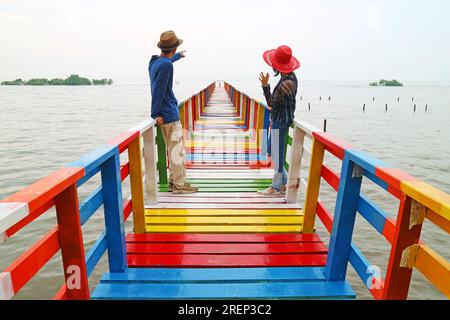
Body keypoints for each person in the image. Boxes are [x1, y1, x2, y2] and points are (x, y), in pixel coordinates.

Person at [149, 30, 198, 194]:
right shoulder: (166, 66)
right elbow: (159, 90)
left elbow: (166, 63)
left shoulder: (155, 62)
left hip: (164, 114)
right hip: (168, 114)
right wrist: (155, 113)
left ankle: (173, 181)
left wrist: (178, 57)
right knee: (177, 151)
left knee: (172, 150)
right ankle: (179, 185)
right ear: (174, 48)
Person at [257, 45, 300, 195]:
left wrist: (265, 86)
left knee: (277, 153)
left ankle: (276, 187)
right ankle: (283, 182)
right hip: (280, 119)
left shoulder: (285, 84)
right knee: (274, 152)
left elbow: (270, 103)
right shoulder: (290, 77)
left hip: (280, 121)